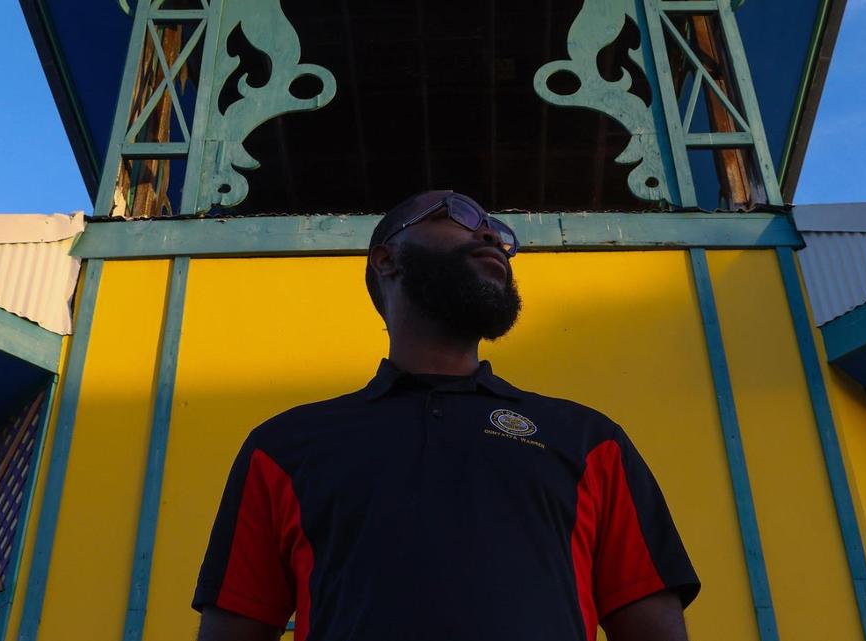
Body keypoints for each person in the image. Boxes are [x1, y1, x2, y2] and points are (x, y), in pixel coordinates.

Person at [193, 190, 700, 641]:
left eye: (496, 229)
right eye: (457, 214)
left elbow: (652, 629)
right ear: (386, 259)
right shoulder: (284, 447)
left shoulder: (588, 440)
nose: (490, 234)